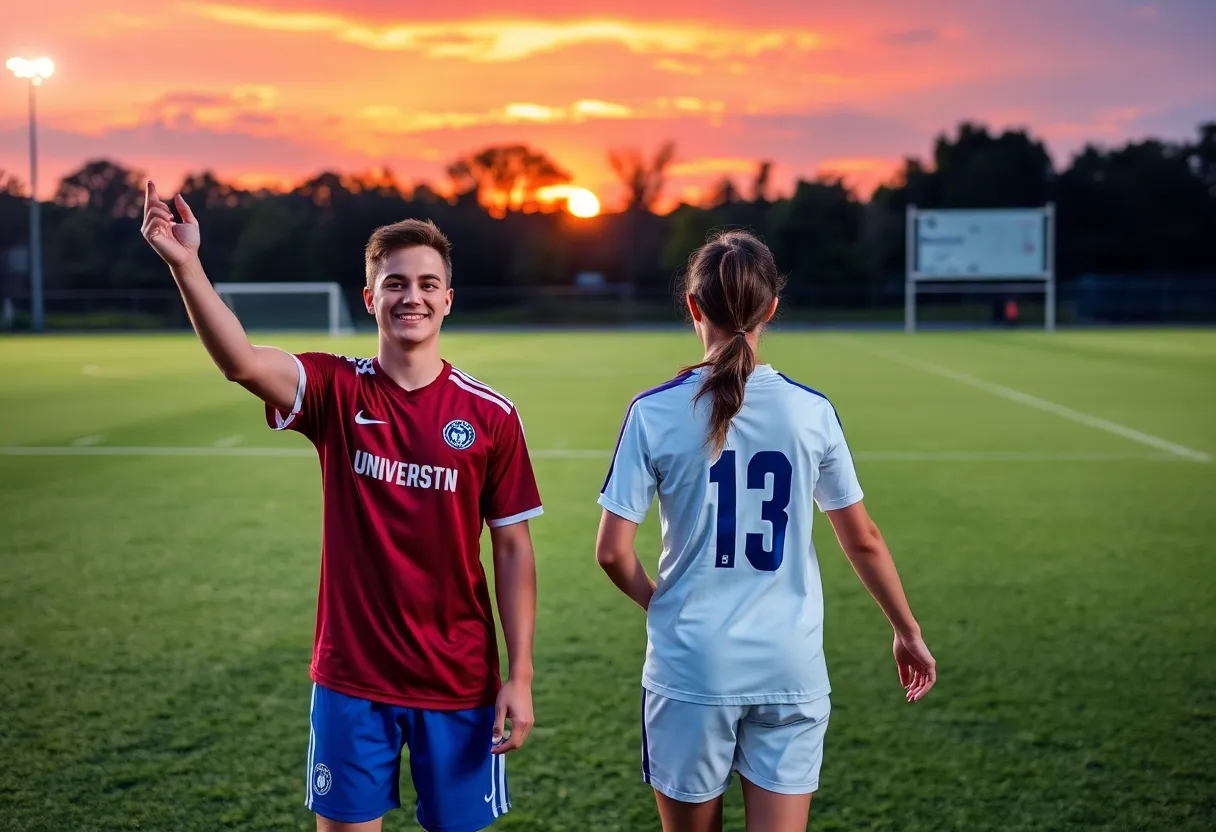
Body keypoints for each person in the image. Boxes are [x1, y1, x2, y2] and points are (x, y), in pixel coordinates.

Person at [141, 181, 542, 832]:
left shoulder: (490, 415)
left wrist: (519, 677)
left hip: (459, 680)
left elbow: (514, 547)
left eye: (426, 283)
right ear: (370, 298)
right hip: (351, 680)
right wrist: (187, 266)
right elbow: (241, 363)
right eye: (394, 283)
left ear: (447, 299)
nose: (411, 295)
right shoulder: (334, 388)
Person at [594, 230, 936, 832]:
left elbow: (611, 553)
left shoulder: (653, 410)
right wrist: (906, 631)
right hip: (789, 666)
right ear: (771, 308)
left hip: (692, 666)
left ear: (693, 306)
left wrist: (661, 604)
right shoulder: (812, 411)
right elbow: (864, 539)